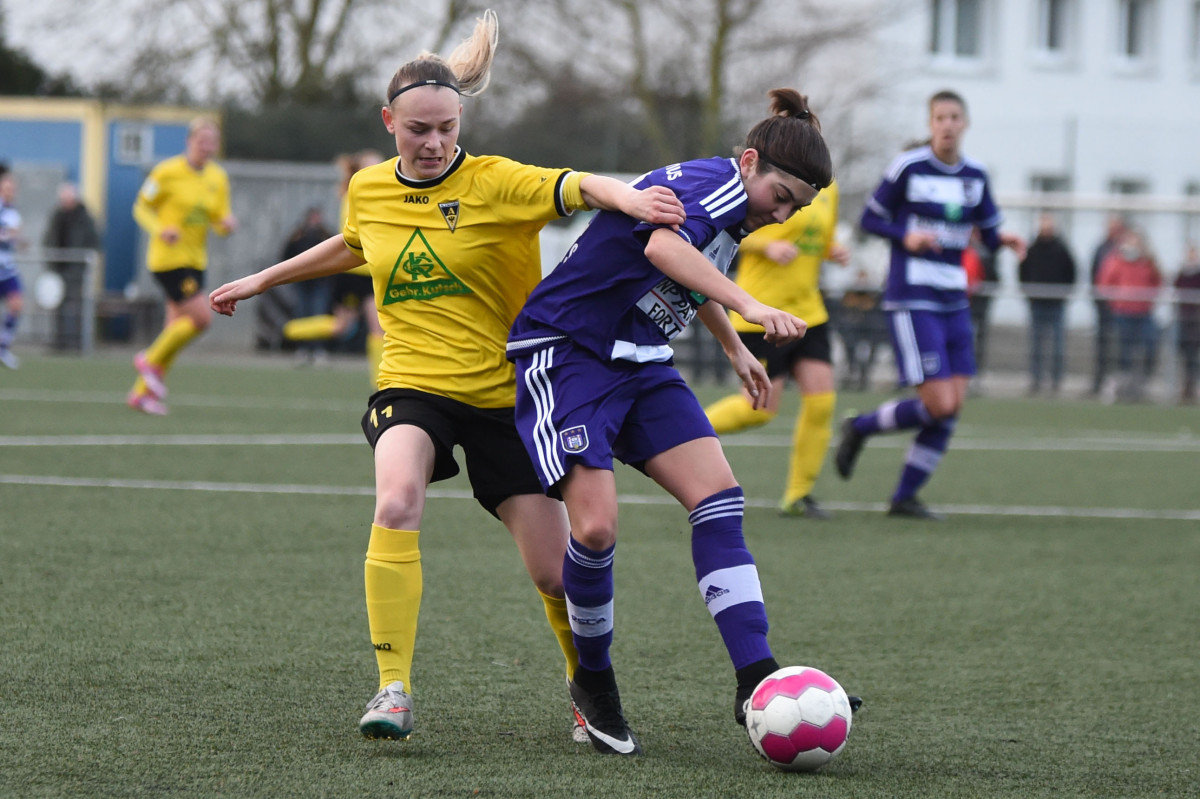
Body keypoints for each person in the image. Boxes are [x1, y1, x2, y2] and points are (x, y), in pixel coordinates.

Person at [208, 9, 687, 746]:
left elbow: (579, 185)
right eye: (417, 130)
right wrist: (262, 278)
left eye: (446, 129)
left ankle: (586, 690)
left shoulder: (496, 182)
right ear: (388, 122)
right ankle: (392, 687)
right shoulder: (368, 188)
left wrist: (632, 198)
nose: (433, 143)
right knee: (397, 499)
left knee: (557, 575)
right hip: (413, 384)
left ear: (461, 123)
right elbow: (355, 243)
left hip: (508, 394)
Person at [507, 88, 861, 756]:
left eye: (796, 208)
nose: (781, 214)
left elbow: (693, 274)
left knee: (719, 500)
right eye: (780, 196)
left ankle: (756, 674)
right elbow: (666, 251)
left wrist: (733, 348)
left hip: (641, 360)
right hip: (569, 352)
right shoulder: (715, 183)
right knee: (596, 528)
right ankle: (593, 679)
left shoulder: (736, 206)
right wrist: (752, 307)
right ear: (749, 162)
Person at [835, 89, 1026, 520]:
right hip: (912, 297)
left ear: (965, 124)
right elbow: (869, 218)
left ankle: (904, 497)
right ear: (930, 123)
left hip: (954, 298)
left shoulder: (975, 175)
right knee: (940, 404)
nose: (947, 125)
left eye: (955, 117)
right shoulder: (909, 167)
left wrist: (1006, 240)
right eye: (940, 117)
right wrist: (905, 236)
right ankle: (860, 427)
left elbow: (987, 232)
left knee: (952, 408)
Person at [703, 179, 850, 519]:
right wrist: (766, 246)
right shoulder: (767, 179)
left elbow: (821, 239)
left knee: (822, 404)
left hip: (809, 313)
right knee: (756, 409)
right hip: (761, 313)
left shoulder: (829, 188)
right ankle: (678, 435)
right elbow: (725, 230)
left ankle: (798, 496)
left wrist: (832, 250)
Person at [128, 116, 238, 414]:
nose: (207, 147)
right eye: (201, 141)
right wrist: (159, 229)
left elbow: (218, 218)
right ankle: (148, 360)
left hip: (195, 260)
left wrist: (226, 224)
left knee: (174, 330)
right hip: (168, 260)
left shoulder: (218, 177)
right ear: (189, 141)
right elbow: (141, 207)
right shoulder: (167, 172)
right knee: (202, 318)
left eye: (212, 142)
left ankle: (141, 395)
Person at [282, 150, 387, 385]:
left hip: (369, 272)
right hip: (354, 272)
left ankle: (292, 330)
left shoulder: (377, 194)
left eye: (380, 166)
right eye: (370, 167)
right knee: (366, 328)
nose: (377, 171)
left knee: (349, 327)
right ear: (359, 172)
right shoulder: (356, 195)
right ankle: (381, 384)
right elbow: (357, 236)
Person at [1096, 227, 1161, 402]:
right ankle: (1121, 386)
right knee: (1124, 351)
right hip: (1122, 313)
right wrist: (1117, 300)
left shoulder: (1147, 262)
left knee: (1150, 345)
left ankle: (1140, 383)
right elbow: (1104, 284)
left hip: (1144, 312)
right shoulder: (1114, 261)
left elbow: (1158, 282)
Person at [1018, 213, 1077, 394]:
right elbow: (1022, 272)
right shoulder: (1032, 249)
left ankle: (1056, 381)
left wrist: (1063, 294)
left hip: (1056, 304)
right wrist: (1029, 293)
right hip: (1036, 303)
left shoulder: (1062, 249)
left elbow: (1071, 272)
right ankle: (1036, 380)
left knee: (1057, 345)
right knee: (1036, 344)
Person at [42, 181, 101, 352]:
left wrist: (83, 263)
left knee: (76, 306)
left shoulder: (84, 218)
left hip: (76, 270)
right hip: (57, 269)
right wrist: (51, 262)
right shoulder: (56, 216)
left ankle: (77, 341)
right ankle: (59, 341)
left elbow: (94, 241)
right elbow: (49, 239)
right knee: (57, 305)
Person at [279, 206, 334, 365]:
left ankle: (318, 350)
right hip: (301, 283)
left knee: (318, 315)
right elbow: (286, 255)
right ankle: (302, 349)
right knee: (301, 314)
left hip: (320, 282)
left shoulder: (326, 235)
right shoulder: (297, 235)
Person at [1089, 214, 1127, 396]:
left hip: (1124, 308)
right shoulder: (1101, 248)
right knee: (1102, 347)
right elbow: (1095, 275)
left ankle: (1122, 386)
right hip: (1104, 307)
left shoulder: (1125, 248)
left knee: (1123, 348)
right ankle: (1099, 382)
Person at [962, 228, 998, 391]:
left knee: (977, 341)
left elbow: (994, 278)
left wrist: (981, 288)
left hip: (978, 306)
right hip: (960, 306)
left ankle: (975, 377)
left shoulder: (985, 253)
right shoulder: (955, 251)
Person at [1175, 244, 1200, 404]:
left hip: (1196, 320)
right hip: (1185, 319)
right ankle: (1187, 386)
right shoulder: (1181, 274)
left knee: (1194, 354)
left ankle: (1193, 385)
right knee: (1186, 353)